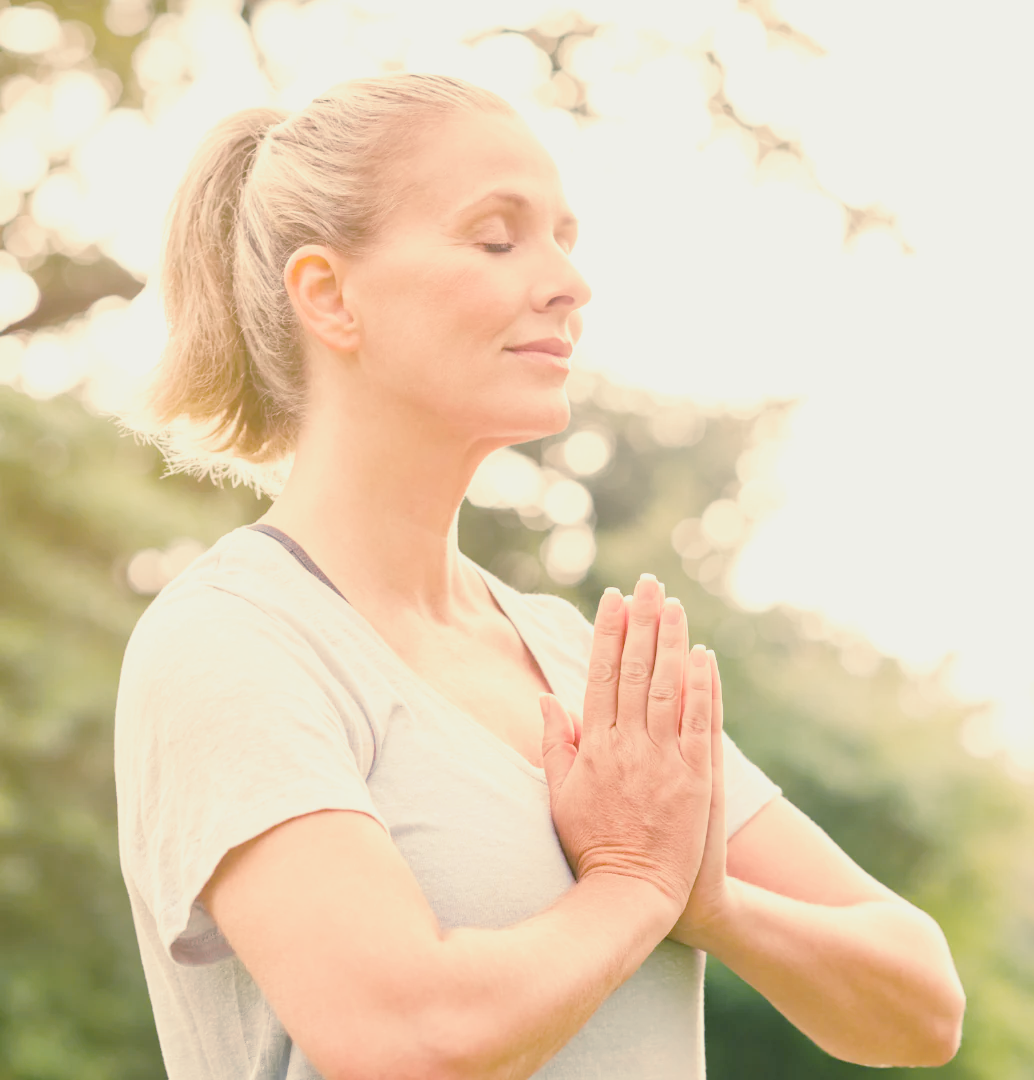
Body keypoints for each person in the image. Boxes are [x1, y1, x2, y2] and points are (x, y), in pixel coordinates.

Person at [113, 74, 965, 1080]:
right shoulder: (235, 643)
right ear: (330, 296)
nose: (569, 281)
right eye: (496, 237)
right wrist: (634, 887)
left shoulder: (575, 660)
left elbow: (922, 1006)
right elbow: (404, 1039)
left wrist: (716, 904)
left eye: (567, 236)